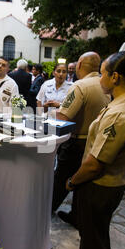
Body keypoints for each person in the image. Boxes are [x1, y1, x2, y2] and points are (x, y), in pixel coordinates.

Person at [62, 51, 125, 249]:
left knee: (90, 234)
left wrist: (72, 181)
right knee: (100, 230)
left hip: (101, 185)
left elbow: (95, 164)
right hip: (116, 182)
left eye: (102, 75)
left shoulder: (120, 113)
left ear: (115, 77)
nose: (99, 80)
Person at [52, 52, 110, 215]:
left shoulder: (80, 86)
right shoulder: (104, 84)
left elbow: (63, 117)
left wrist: (52, 112)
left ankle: (48, 208)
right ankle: (76, 215)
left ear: (79, 65)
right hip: (93, 141)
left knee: (61, 179)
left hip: (76, 141)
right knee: (82, 183)